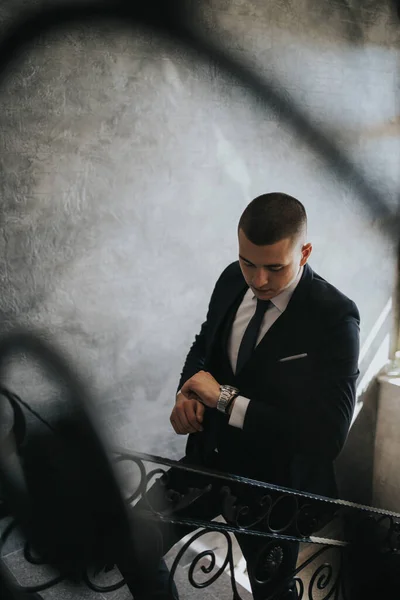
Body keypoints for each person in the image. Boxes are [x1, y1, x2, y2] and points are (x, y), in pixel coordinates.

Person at [119, 192, 360, 599]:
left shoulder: (335, 318)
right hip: (208, 462)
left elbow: (328, 436)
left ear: (305, 252)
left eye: (274, 267)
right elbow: (204, 343)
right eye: (249, 262)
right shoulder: (233, 278)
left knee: (272, 595)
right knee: (130, 543)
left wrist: (224, 400)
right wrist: (188, 391)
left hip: (274, 490)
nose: (258, 280)